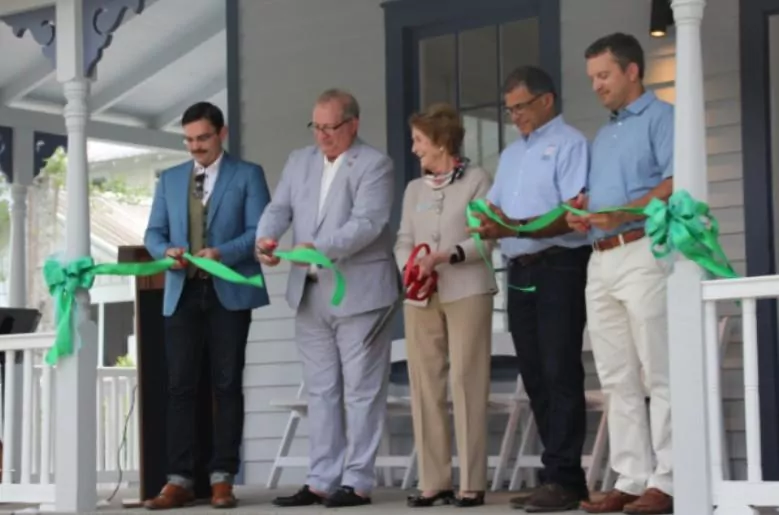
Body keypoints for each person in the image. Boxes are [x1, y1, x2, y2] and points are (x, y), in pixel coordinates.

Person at [255, 89, 399, 509]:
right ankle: (320, 480)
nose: (322, 136)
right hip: (308, 292)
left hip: (360, 293)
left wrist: (317, 248)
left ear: (353, 124)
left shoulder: (375, 164)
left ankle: (357, 481)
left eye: (330, 127)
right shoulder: (299, 160)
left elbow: (368, 224)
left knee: (361, 390)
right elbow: (278, 208)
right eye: (316, 127)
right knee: (321, 390)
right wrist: (266, 238)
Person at [471, 65, 591, 512]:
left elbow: (571, 215)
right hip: (518, 268)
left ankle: (566, 479)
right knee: (535, 372)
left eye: (521, 107)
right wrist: (488, 222)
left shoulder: (571, 144)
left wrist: (513, 226)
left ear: (546, 100)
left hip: (559, 265)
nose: (515, 116)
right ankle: (555, 475)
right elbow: (499, 209)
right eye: (510, 110)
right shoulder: (510, 155)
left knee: (560, 370)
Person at [142, 101, 271, 510]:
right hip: (182, 291)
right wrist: (167, 251)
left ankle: (222, 478)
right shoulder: (169, 179)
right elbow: (153, 233)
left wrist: (221, 253)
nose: (196, 147)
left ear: (222, 133)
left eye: (203, 138)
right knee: (180, 386)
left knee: (227, 384)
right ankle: (179, 479)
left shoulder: (248, 175)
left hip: (228, 291)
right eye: (189, 140)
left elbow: (259, 231)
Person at [567, 33, 674, 515]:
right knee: (615, 374)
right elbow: (604, 197)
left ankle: (669, 480)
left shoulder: (662, 118)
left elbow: (676, 181)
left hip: (643, 250)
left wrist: (623, 212)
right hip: (601, 256)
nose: (596, 85)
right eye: (592, 77)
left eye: (604, 75)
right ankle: (631, 478)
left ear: (632, 71)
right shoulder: (605, 134)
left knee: (659, 368)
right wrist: (584, 210)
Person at [394, 103, 496, 508]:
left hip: (467, 289)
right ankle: (434, 481)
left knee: (467, 382)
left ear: (441, 142)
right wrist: (410, 266)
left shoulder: (477, 180)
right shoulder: (414, 190)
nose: (414, 148)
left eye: (419, 140)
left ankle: (471, 482)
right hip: (421, 296)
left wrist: (447, 256)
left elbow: (485, 238)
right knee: (425, 384)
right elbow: (403, 239)